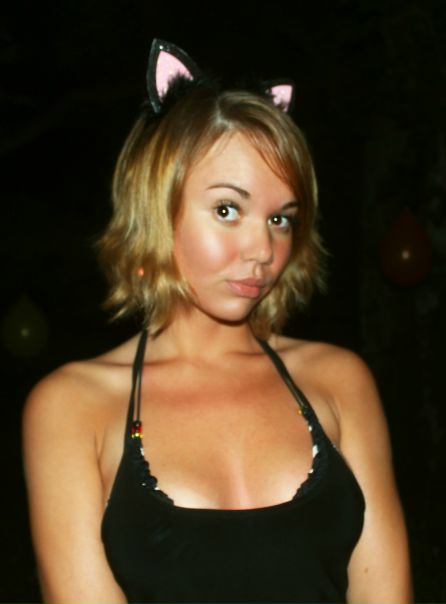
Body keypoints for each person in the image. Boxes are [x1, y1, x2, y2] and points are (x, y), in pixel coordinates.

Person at [23, 39, 412, 604]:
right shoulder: (73, 406)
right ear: (157, 209)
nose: (263, 249)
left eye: (281, 218)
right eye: (228, 209)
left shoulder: (337, 381)